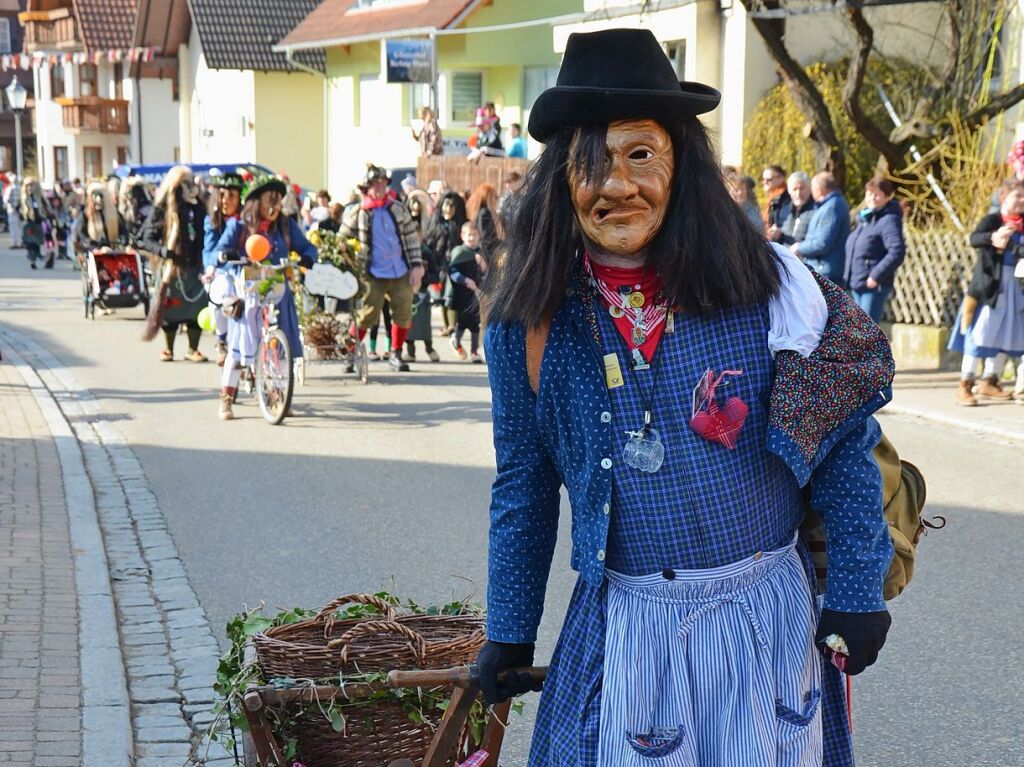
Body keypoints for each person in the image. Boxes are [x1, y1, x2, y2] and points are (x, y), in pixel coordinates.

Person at [476, 28, 894, 767]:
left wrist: (859, 588)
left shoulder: (770, 290)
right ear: (558, 177)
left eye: (640, 155)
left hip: (767, 619)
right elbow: (524, 485)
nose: (616, 185)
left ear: (683, 165)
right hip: (628, 625)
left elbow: (842, 446)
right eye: (590, 161)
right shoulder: (528, 326)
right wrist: (510, 625)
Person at [213, 175, 318, 420]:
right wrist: (225, 255)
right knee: (240, 348)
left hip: (278, 290)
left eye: (278, 201)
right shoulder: (239, 226)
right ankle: (226, 398)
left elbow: (307, 247)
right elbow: (219, 252)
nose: (274, 206)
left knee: (281, 347)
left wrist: (309, 257)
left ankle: (278, 396)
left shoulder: (286, 226)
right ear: (256, 202)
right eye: (269, 200)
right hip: (248, 291)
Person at [340, 164, 425, 372]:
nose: (379, 187)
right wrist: (349, 260)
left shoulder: (397, 208)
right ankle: (351, 354)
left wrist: (416, 266)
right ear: (367, 187)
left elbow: (411, 239)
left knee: (404, 311)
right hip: (373, 272)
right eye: (374, 184)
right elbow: (341, 239)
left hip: (400, 270)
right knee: (367, 314)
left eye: (382, 183)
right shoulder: (358, 213)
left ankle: (396, 354)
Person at [948, 178, 1024, 406]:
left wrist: (1010, 245)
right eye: (1016, 196)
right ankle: (965, 383)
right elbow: (974, 238)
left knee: (1007, 335)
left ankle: (990, 381)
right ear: (1003, 198)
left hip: (1016, 287)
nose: (1021, 201)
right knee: (980, 334)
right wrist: (993, 238)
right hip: (991, 289)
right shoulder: (993, 220)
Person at [138, 166, 209, 362]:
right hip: (171, 269)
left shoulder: (199, 207)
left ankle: (193, 348)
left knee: (196, 307)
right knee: (170, 308)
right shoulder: (162, 208)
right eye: (184, 183)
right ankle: (168, 348)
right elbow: (147, 237)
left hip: (195, 266)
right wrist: (163, 251)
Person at [844, 176, 906, 323]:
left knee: (866, 334)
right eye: (869, 193)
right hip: (856, 284)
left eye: (878, 194)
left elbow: (897, 251)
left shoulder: (888, 220)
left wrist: (876, 276)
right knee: (856, 332)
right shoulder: (865, 219)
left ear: (887, 197)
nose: (873, 198)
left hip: (872, 286)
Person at [202, 172, 245, 367]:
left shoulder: (245, 219)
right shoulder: (211, 220)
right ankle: (222, 340)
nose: (227, 201)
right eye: (223, 195)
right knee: (225, 290)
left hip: (243, 271)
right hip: (220, 271)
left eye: (232, 196)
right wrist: (219, 258)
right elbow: (209, 253)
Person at [793, 172, 850, 284]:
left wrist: (799, 247)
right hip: (822, 268)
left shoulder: (832, 207)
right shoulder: (828, 206)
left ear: (819, 190)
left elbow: (822, 243)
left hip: (826, 271)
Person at [426, 191, 467, 336]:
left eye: (451, 207)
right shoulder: (436, 223)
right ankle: (446, 325)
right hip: (439, 265)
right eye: (446, 206)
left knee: (452, 295)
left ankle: (452, 325)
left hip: (455, 264)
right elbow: (430, 242)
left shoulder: (459, 225)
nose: (448, 209)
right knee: (441, 296)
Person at [447, 221, 485, 363]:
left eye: (474, 235)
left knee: (475, 324)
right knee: (463, 322)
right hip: (462, 294)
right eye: (469, 235)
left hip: (476, 294)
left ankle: (474, 351)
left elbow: (486, 272)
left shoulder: (480, 252)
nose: (472, 238)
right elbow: (452, 272)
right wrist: (465, 280)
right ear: (462, 235)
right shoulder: (459, 252)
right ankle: (456, 341)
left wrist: (482, 264)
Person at [74, 181, 127, 256]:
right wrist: (92, 245)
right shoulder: (86, 215)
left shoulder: (115, 214)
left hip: (114, 249)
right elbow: (82, 234)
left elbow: (123, 230)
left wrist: (122, 239)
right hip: (94, 252)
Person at [771, 171, 816, 246]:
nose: (798, 193)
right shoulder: (785, 211)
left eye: (801, 188)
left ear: (809, 189)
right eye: (795, 189)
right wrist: (777, 235)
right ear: (789, 191)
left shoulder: (816, 211)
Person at [21, 178, 53, 269]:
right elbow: (20, 209)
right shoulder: (24, 198)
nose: (30, 188)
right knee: (31, 243)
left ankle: (40, 255)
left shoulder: (40, 198)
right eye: (28, 186)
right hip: (28, 224)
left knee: (39, 242)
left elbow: (47, 208)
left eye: (31, 185)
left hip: (39, 223)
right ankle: (33, 260)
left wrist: (49, 216)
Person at [466, 182, 500, 261]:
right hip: (487, 252)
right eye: (494, 196)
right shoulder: (484, 213)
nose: (496, 198)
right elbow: (486, 235)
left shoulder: (481, 211)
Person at [761, 164, 791, 229]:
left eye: (768, 179)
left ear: (781, 178)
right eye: (763, 179)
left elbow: (783, 221)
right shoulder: (773, 196)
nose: (764, 182)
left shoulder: (785, 197)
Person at [4, 173, 22, 248]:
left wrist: (12, 206)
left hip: (11, 210)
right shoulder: (20, 188)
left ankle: (14, 243)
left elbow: (7, 199)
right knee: (20, 226)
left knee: (13, 227)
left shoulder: (10, 188)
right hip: (19, 210)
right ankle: (21, 242)